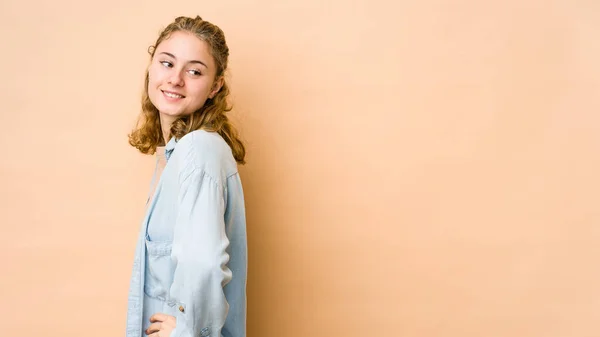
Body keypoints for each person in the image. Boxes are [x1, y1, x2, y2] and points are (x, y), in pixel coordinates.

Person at [125, 15, 248, 337]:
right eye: (167, 63)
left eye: (194, 71)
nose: (175, 79)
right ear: (151, 67)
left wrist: (189, 331)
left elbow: (204, 262)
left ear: (215, 86)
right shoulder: (176, 154)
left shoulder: (199, 150)